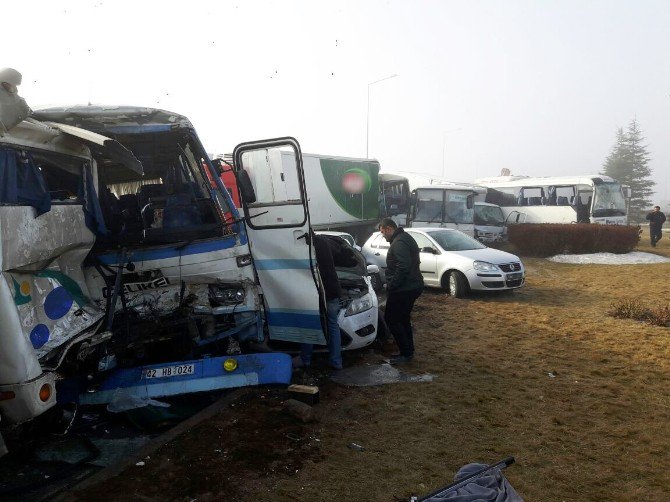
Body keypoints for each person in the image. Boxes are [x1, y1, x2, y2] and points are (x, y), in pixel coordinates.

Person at [379, 218, 424, 364]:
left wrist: (392, 285)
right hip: (411, 286)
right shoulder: (404, 238)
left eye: (382, 232)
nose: (382, 235)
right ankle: (408, 351)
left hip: (404, 288)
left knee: (391, 319)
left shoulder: (398, 242)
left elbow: (403, 266)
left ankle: (406, 354)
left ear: (388, 228)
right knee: (403, 319)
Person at [296, 233, 344, 370]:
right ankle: (336, 361)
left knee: (309, 324)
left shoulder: (305, 246)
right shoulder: (324, 241)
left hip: (316, 292)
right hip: (333, 289)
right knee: (333, 325)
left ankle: (305, 359)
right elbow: (338, 251)